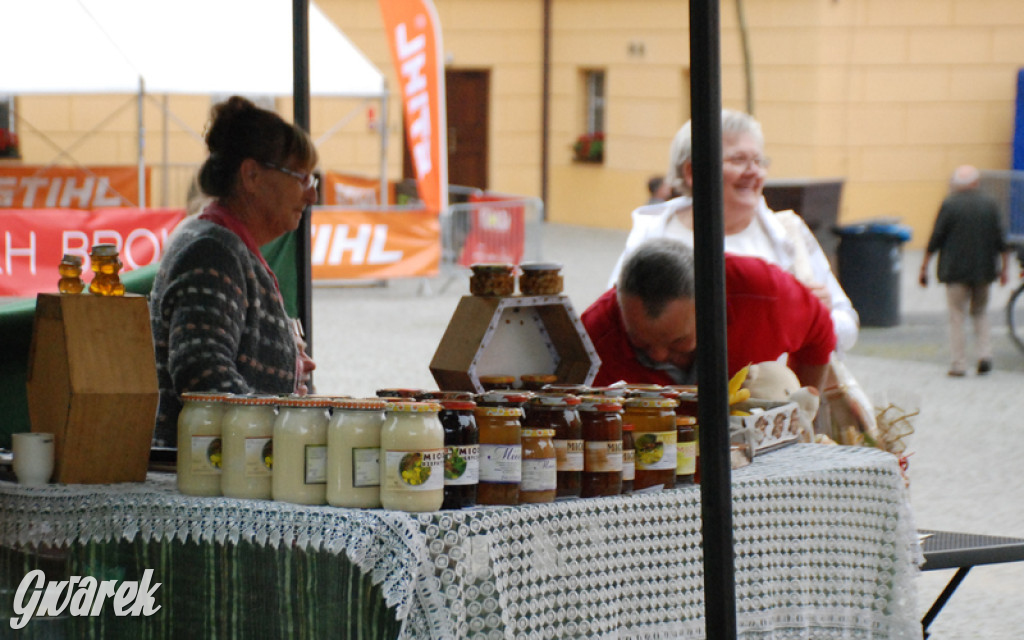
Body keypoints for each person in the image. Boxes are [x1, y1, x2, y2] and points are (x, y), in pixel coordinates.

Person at [608, 110, 859, 353]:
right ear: (692, 172)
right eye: (739, 160)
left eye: (759, 161)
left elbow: (847, 325)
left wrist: (822, 317)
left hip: (774, 394)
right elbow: (614, 317)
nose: (754, 172)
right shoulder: (655, 233)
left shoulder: (787, 233)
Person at [149, 96, 318, 445]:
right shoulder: (212, 252)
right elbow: (204, 380)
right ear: (252, 175)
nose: (312, 194)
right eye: (301, 178)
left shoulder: (225, 247)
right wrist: (289, 431)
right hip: (202, 482)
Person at [582, 238, 836, 391]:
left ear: (708, 303)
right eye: (639, 342)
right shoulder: (592, 339)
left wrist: (802, 411)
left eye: (677, 342)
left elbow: (820, 331)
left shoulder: (763, 294)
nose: (658, 355)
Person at [919, 165, 1011, 377]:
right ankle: (985, 355)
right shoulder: (990, 204)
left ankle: (959, 364)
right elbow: (1001, 239)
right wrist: (1004, 269)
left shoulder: (950, 204)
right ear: (976, 183)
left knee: (957, 316)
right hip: (984, 271)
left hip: (955, 271)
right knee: (980, 312)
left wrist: (924, 267)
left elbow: (936, 237)